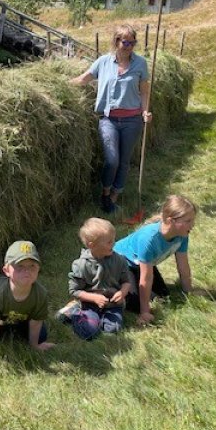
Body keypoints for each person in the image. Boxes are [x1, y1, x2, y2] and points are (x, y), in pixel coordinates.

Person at [71, 24, 152, 213]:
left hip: (132, 120)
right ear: (116, 41)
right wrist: (61, 84)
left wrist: (145, 111)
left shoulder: (140, 63)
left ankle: (114, 196)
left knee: (124, 160)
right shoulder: (103, 62)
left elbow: (144, 90)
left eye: (133, 43)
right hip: (108, 120)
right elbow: (84, 79)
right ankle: (105, 192)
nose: (129, 46)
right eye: (126, 42)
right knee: (111, 160)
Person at [114, 194, 196, 326]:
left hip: (139, 264)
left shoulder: (182, 235)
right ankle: (109, 286)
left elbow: (183, 265)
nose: (192, 225)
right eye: (188, 221)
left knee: (163, 296)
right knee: (136, 303)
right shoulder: (149, 239)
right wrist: (144, 312)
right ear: (170, 221)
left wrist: (188, 290)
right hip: (120, 263)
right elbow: (146, 278)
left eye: (192, 220)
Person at [0, 240, 55, 350]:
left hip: (14, 312)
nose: (27, 271)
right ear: (6, 270)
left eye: (32, 266)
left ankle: (9, 323)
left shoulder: (40, 294)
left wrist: (35, 345)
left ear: (38, 268)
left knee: (41, 336)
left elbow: (36, 322)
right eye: (20, 266)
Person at [58, 218, 132, 340]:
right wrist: (94, 298)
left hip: (112, 305)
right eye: (109, 242)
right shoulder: (81, 265)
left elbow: (126, 281)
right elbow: (74, 291)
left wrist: (122, 292)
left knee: (112, 329)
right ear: (91, 245)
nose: (114, 244)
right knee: (88, 332)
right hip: (90, 304)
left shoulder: (119, 260)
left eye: (113, 240)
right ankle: (73, 312)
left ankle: (100, 319)